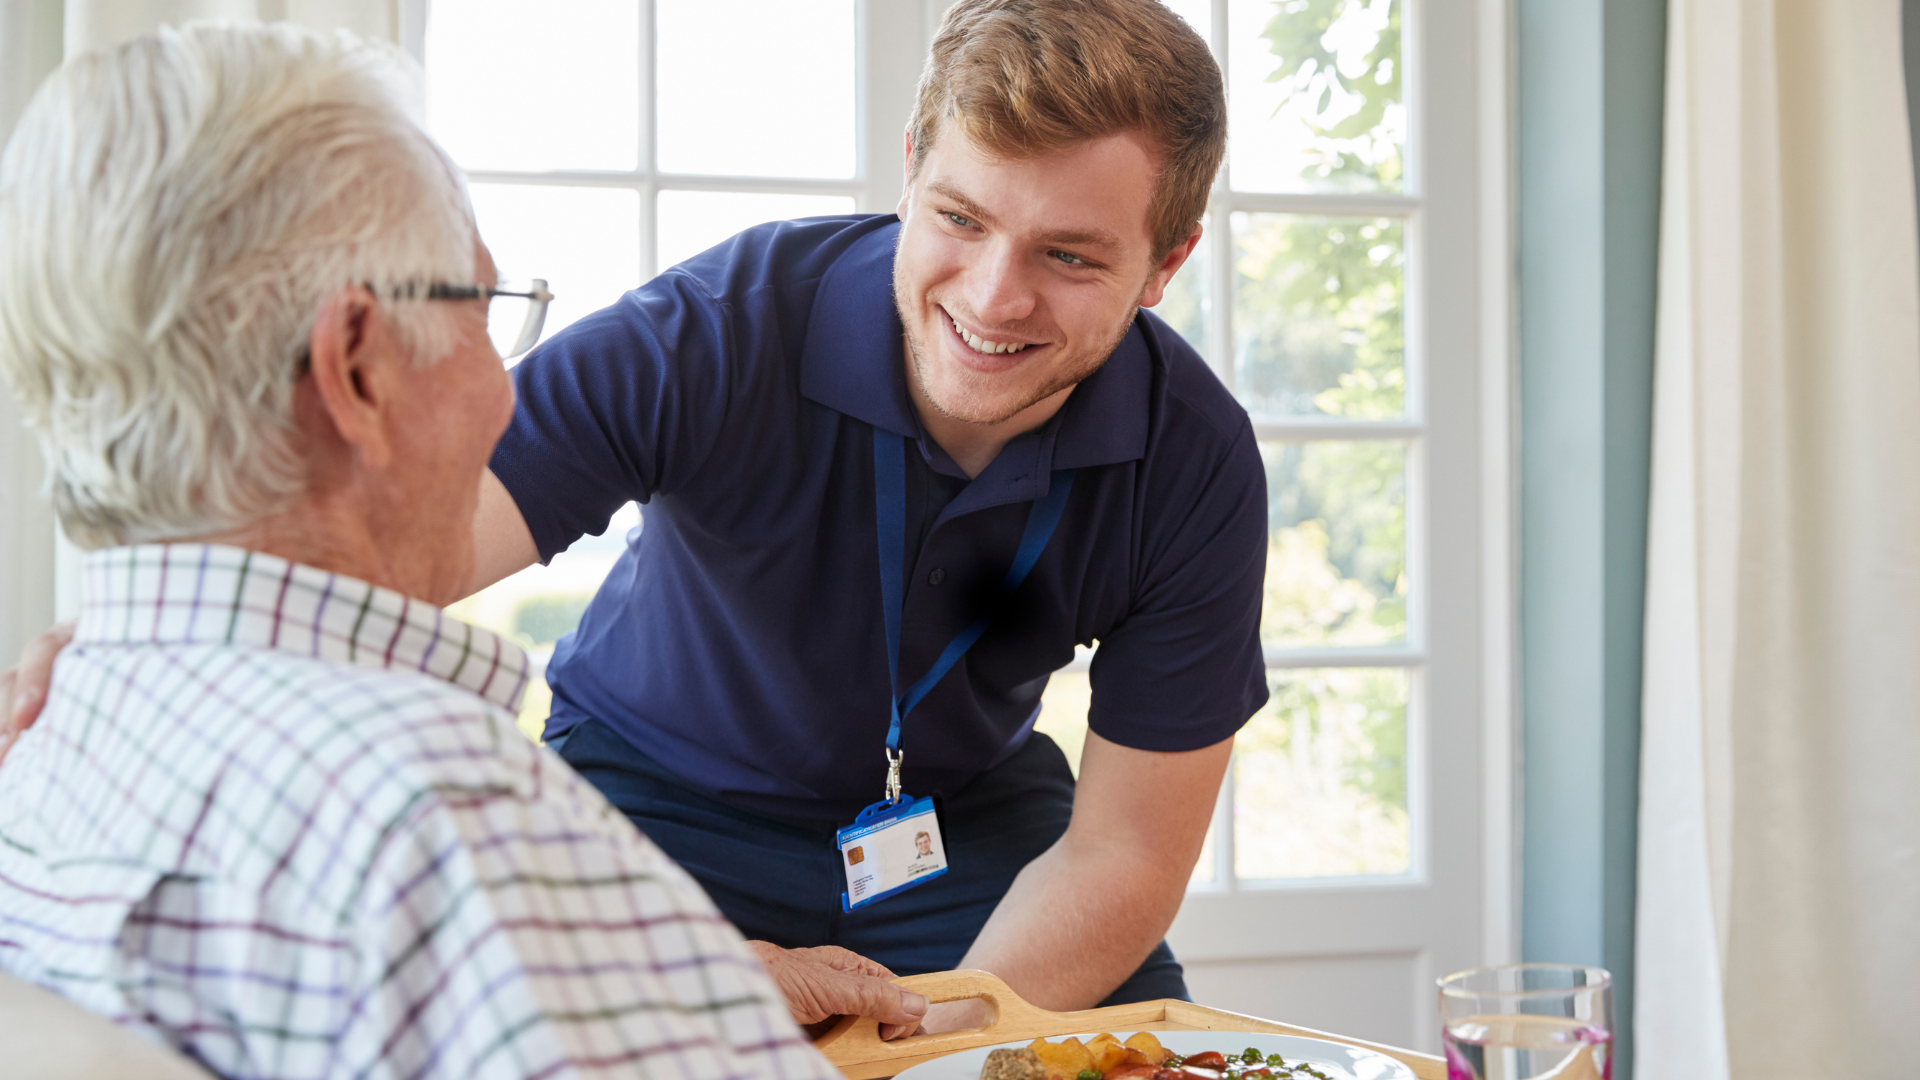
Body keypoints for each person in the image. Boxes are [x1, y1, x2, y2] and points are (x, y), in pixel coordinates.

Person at [5, 0, 1268, 1021]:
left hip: (959, 824)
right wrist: (139, 645)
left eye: (1070, 256)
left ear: (1166, 263)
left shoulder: (1198, 457)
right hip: (656, 797)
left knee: (1117, 1053)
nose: (993, 298)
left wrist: (943, 1040)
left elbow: (1121, 856)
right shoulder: (713, 333)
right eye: (957, 218)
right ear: (911, 171)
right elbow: (383, 538)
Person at [0, 23, 923, 1078]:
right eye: (481, 312)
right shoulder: (441, 815)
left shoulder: (43, 746)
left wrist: (652, 982)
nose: (503, 392)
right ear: (355, 367)